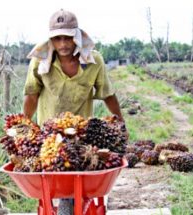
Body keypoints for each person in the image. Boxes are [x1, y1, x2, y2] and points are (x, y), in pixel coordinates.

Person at [23, 9, 126, 215]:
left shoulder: (93, 62)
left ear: (77, 36)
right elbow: (32, 95)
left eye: (68, 37)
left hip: (82, 134)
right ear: (51, 38)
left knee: (78, 180)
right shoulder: (40, 62)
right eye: (57, 38)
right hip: (49, 136)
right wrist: (25, 126)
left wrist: (121, 123)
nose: (63, 44)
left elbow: (107, 94)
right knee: (59, 182)